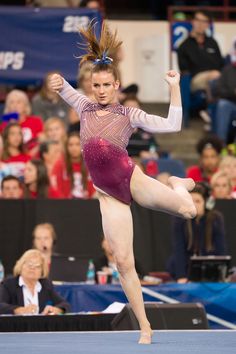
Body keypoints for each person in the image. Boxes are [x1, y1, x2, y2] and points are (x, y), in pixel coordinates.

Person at [49, 21, 197, 344]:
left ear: (116, 84)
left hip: (132, 181)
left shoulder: (128, 115)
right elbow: (61, 88)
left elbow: (173, 125)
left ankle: (178, 184)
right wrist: (57, 82)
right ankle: (145, 325)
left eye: (106, 85)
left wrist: (174, 86)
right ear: (91, 86)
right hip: (108, 196)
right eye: (96, 85)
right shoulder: (84, 107)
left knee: (189, 212)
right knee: (123, 261)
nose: (101, 90)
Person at [167, 183, 227, 283]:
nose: (193, 205)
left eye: (198, 201)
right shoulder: (180, 219)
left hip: (209, 268)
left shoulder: (216, 218)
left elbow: (221, 248)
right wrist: (181, 276)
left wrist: (221, 274)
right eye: (191, 201)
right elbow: (179, 250)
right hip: (186, 267)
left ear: (207, 203)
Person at [0, 249, 70, 315]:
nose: (32, 268)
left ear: (42, 271)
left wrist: (56, 309)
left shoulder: (46, 284)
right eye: (29, 265)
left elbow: (65, 304)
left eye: (37, 266)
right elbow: (1, 305)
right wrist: (18, 310)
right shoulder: (9, 284)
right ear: (21, 266)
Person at [177, 10, 223, 95]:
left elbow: (221, 63)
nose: (200, 24)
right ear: (193, 21)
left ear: (208, 24)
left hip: (216, 77)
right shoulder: (184, 46)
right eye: (198, 20)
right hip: (194, 80)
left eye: (204, 21)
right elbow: (184, 70)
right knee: (215, 75)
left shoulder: (212, 43)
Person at [51, 132, 96, 199]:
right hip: (65, 205)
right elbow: (55, 186)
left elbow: (96, 189)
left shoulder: (91, 164)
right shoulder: (60, 164)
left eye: (78, 144)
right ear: (66, 147)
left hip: (88, 205)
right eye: (70, 145)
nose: (74, 148)